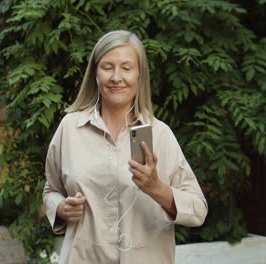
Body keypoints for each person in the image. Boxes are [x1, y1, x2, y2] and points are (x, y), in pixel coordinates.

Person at [43, 30, 208, 264]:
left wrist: (156, 188)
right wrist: (60, 208)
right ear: (95, 74)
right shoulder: (70, 128)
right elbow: (50, 190)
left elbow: (198, 210)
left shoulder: (159, 135)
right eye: (107, 67)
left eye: (127, 68)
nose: (116, 77)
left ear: (140, 76)